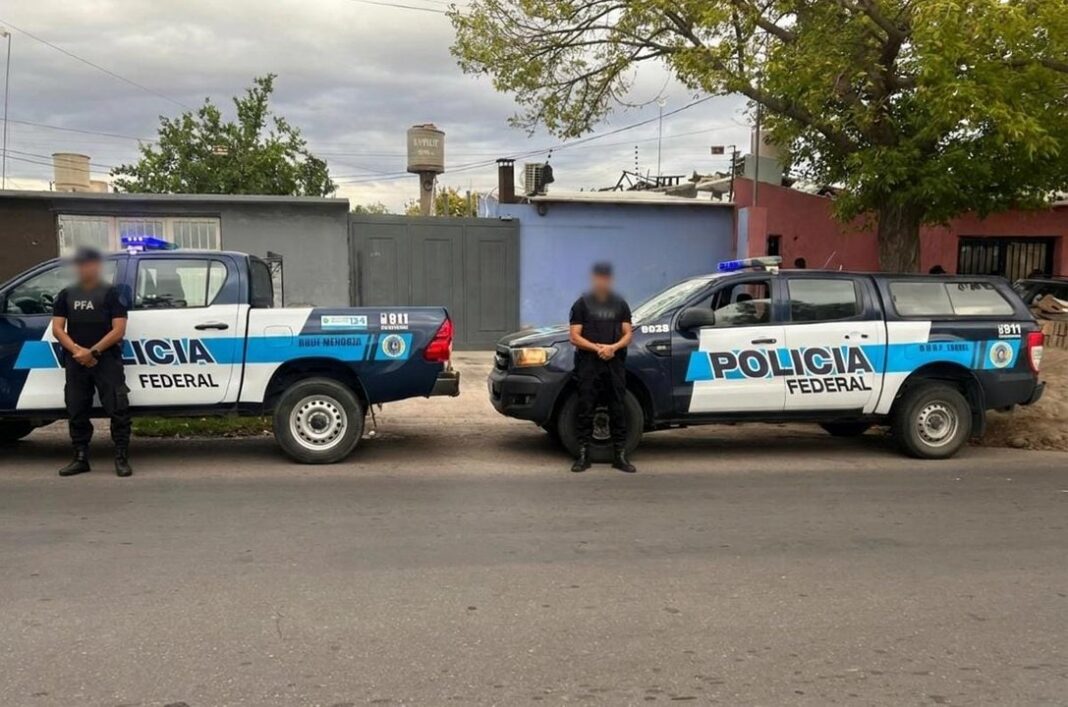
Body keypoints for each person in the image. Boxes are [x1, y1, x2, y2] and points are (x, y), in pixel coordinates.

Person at [52, 248, 133, 477]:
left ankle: (121, 457)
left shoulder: (112, 294)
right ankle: (80, 458)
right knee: (76, 408)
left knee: (118, 408)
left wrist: (93, 352)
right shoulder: (66, 294)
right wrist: (78, 351)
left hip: (106, 359)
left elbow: (118, 330)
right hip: (76, 360)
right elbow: (58, 329)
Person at [568, 262, 635, 473]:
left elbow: (628, 334)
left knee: (618, 408)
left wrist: (612, 348)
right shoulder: (581, 304)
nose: (602, 281)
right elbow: (574, 337)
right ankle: (583, 456)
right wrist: (598, 348)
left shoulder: (620, 304)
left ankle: (620, 456)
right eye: (599, 278)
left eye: (606, 278)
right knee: (585, 409)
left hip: (614, 363)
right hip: (589, 364)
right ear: (593, 279)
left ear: (610, 280)